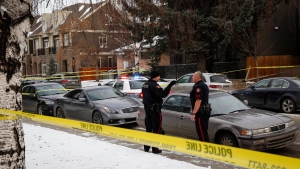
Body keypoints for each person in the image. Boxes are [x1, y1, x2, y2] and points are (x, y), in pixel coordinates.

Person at [142, 70, 176, 154]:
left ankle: (146, 147)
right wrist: (170, 85)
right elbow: (163, 94)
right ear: (156, 76)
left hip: (147, 109)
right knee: (156, 128)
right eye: (159, 76)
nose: (159, 77)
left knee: (148, 129)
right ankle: (155, 149)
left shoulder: (145, 84)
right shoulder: (154, 85)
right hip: (155, 110)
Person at [189, 71, 211, 142]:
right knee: (203, 131)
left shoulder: (199, 86)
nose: (192, 77)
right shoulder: (202, 85)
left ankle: (205, 150)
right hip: (204, 111)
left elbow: (198, 101)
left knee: (201, 133)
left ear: (197, 77)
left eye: (193, 76)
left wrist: (193, 113)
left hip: (201, 113)